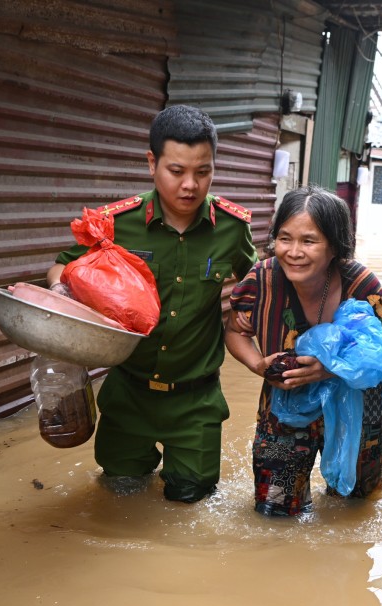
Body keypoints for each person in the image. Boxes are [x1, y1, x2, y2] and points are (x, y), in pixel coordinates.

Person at [46, 105, 257, 502]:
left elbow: (258, 283)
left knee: (191, 501)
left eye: (203, 172)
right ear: (151, 163)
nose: (190, 185)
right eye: (176, 171)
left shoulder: (232, 228)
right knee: (119, 496)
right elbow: (62, 268)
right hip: (127, 394)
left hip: (196, 401)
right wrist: (63, 297)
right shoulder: (114, 224)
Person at [225, 185, 382, 517]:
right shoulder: (262, 279)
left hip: (356, 414)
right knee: (275, 512)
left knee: (354, 509)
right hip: (284, 408)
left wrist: (330, 369)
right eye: (284, 238)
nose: (293, 251)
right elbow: (235, 331)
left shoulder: (364, 286)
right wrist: (257, 364)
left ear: (335, 246)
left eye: (309, 241)